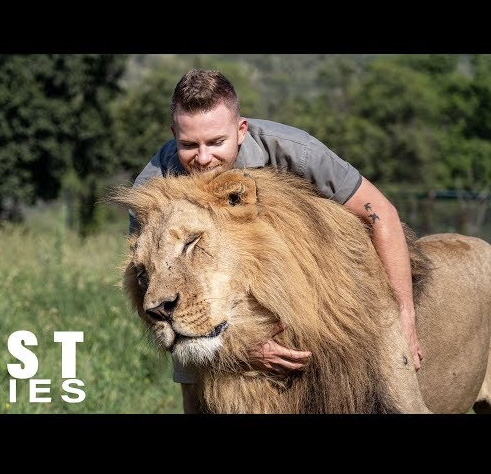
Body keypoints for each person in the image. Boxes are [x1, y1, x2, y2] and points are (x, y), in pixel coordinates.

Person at [130, 68, 423, 413]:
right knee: (193, 384)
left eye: (216, 142)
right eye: (189, 145)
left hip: (313, 284)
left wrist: (404, 317)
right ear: (173, 135)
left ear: (241, 130)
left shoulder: (294, 151)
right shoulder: (149, 191)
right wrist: (242, 351)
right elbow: (147, 279)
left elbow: (381, 214)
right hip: (210, 299)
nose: (204, 158)